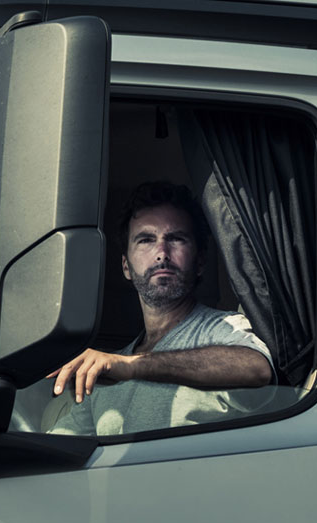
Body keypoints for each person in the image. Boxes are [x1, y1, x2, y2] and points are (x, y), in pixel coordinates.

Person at [47, 181, 273, 436]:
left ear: (199, 262)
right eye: (146, 240)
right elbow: (61, 445)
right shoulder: (108, 367)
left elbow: (257, 369)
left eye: (176, 239)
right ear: (125, 266)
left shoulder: (221, 329)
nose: (162, 253)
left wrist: (133, 366)